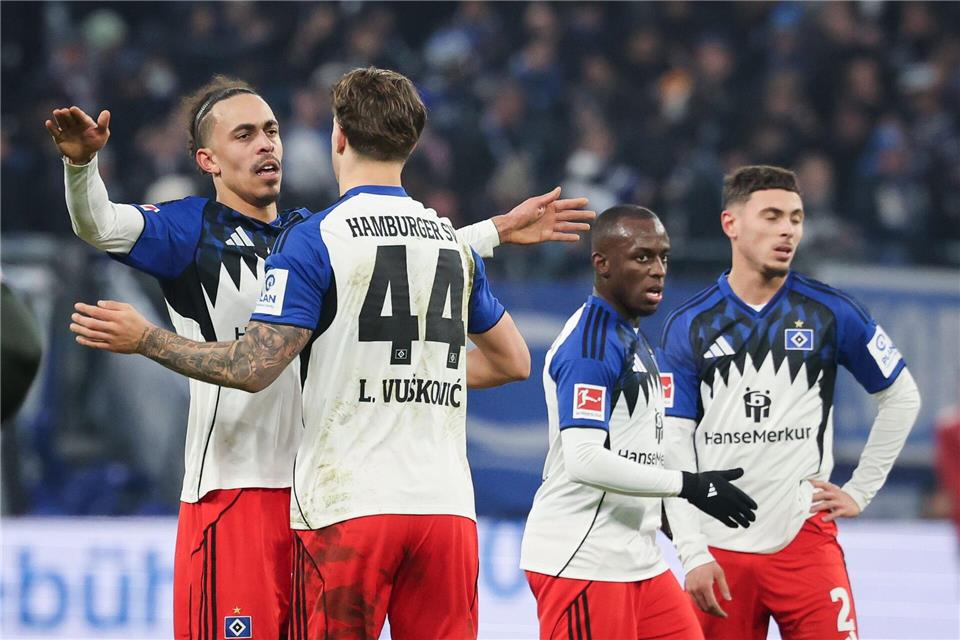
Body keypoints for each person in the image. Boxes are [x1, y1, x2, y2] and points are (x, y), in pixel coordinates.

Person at [48, 75, 593, 639]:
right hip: (238, 485)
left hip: (322, 494)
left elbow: (394, 245)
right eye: (244, 135)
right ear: (207, 159)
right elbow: (101, 224)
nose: (266, 144)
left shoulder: (308, 234)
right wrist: (82, 168)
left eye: (272, 130)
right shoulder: (187, 229)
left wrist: (494, 231)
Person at [659, 165, 922, 640]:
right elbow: (674, 445)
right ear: (731, 224)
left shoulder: (832, 311)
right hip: (719, 550)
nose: (788, 230)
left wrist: (861, 489)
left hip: (804, 543)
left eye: (796, 219)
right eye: (772, 216)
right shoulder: (690, 325)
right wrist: (692, 551)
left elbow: (902, 397)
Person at [520, 205, 757, 640]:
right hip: (583, 558)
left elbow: (643, 452)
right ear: (602, 265)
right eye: (642, 257)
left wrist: (686, 543)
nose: (658, 270)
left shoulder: (634, 337)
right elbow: (585, 459)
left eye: (664, 257)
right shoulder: (589, 347)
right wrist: (689, 484)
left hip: (638, 558)